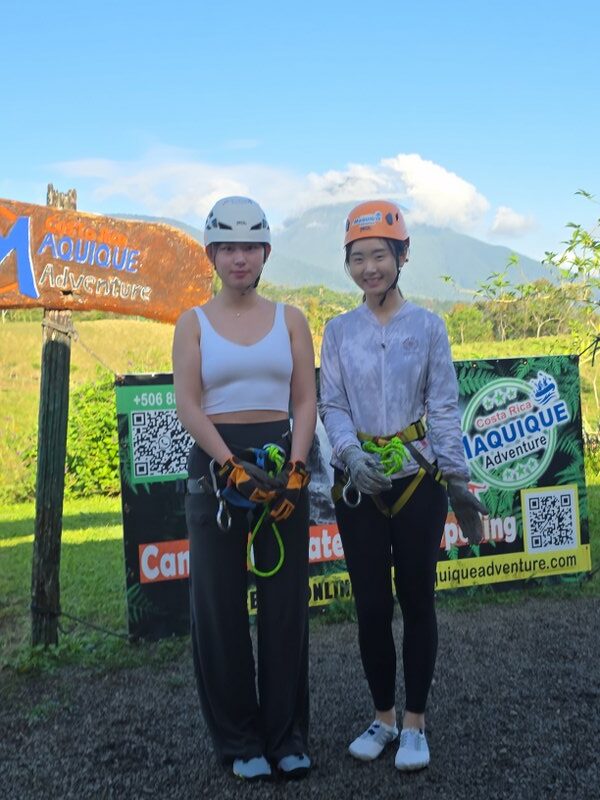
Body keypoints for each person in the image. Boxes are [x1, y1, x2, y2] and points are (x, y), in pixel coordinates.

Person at [318, 200, 487, 772]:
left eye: (380, 256)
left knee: (417, 599)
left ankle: (415, 720)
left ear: (402, 256)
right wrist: (348, 454)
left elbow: (443, 407)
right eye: (358, 258)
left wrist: (458, 480)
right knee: (370, 606)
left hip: (419, 480)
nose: (370, 269)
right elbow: (332, 403)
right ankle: (383, 716)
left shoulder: (428, 328)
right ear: (348, 264)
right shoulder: (338, 332)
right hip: (360, 485)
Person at [172, 196, 317, 781]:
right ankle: (239, 741)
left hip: (283, 466)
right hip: (217, 471)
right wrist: (229, 464)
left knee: (284, 609)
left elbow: (304, 397)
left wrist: (299, 467)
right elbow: (188, 403)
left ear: (265, 254)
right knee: (219, 609)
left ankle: (286, 736)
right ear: (212, 254)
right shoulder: (193, 323)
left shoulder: (291, 319)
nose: (239, 258)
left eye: (249, 247)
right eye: (227, 248)